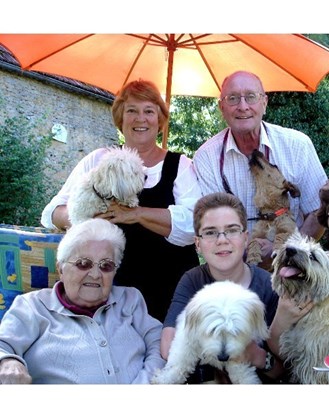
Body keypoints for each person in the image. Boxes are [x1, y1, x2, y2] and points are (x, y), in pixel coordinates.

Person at [41, 79, 201, 322]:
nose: (141, 118)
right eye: (132, 111)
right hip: (109, 287)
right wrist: (85, 217)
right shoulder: (99, 160)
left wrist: (136, 214)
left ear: (159, 120)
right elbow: (51, 212)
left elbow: (194, 225)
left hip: (170, 287)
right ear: (120, 119)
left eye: (149, 111)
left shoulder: (181, 166)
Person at [160, 192, 312, 383]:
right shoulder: (192, 280)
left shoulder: (271, 286)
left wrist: (256, 355)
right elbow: (168, 347)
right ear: (197, 244)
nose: (222, 239)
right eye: (210, 232)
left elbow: (283, 371)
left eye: (232, 230)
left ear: (246, 237)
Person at [0, 218, 165, 384]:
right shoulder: (32, 306)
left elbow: (160, 342)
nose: (95, 274)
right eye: (83, 264)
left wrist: (145, 386)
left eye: (105, 265)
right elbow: (2, 345)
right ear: (61, 269)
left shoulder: (130, 299)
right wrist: (8, 362)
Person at [193, 70, 327, 264]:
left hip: (293, 267)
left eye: (251, 97)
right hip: (235, 269)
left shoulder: (297, 145)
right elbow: (213, 226)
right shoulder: (206, 157)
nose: (243, 106)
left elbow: (317, 213)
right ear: (221, 107)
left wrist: (283, 252)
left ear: (264, 102)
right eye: (232, 99)